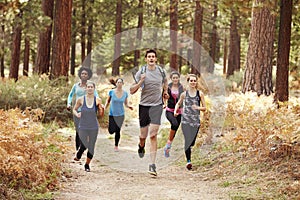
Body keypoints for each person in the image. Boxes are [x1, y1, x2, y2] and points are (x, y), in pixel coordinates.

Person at [130, 49, 168, 176]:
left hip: (157, 106)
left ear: (156, 59)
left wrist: (165, 92)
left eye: (153, 57)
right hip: (144, 106)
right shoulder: (141, 71)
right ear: (146, 59)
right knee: (143, 135)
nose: (151, 58)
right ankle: (141, 146)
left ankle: (152, 165)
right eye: (149, 57)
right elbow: (131, 90)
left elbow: (165, 82)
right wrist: (141, 81)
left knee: (153, 135)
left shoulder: (161, 71)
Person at [174, 74, 206, 170]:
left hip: (195, 122)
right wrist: (176, 111)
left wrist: (197, 107)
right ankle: (188, 161)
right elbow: (178, 103)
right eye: (191, 81)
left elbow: (204, 108)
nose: (193, 82)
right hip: (185, 121)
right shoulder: (184, 94)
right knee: (188, 141)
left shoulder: (200, 94)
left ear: (196, 82)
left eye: (194, 81)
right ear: (188, 82)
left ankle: (189, 151)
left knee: (192, 142)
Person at [73, 81, 103, 172]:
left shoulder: (98, 100)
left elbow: (100, 115)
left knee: (91, 146)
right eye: (88, 87)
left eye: (91, 87)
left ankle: (87, 164)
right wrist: (77, 113)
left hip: (93, 126)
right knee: (84, 143)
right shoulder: (81, 99)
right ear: (85, 89)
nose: (90, 88)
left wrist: (102, 109)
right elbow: (74, 109)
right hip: (83, 125)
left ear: (94, 89)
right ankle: (79, 153)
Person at [67, 67, 99, 151]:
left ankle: (84, 146)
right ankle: (78, 148)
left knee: (85, 129)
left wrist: (98, 105)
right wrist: (68, 104)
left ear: (88, 76)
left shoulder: (90, 86)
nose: (84, 75)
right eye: (82, 74)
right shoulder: (76, 86)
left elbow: (96, 95)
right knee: (78, 129)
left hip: (87, 111)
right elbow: (70, 95)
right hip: (77, 110)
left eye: (86, 74)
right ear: (80, 75)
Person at [104, 78, 133, 152]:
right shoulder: (111, 92)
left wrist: (129, 106)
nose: (119, 84)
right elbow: (108, 101)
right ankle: (110, 127)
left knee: (118, 130)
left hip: (121, 114)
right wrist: (104, 108)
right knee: (111, 131)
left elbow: (126, 104)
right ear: (116, 83)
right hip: (112, 114)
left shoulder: (125, 93)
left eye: (121, 82)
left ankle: (116, 146)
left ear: (123, 84)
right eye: (118, 82)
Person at [163, 71, 185, 158]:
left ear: (179, 78)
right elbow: (164, 96)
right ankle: (168, 145)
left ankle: (168, 146)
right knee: (174, 124)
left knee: (175, 129)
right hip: (170, 110)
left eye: (177, 78)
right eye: (173, 78)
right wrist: (164, 103)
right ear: (171, 79)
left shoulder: (181, 87)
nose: (175, 79)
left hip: (180, 111)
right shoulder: (168, 87)